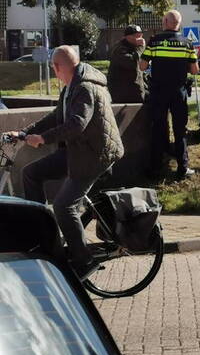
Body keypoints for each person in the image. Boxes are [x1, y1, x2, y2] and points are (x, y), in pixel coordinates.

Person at [18, 46, 124, 277]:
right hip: (77, 150)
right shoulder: (70, 87)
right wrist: (25, 133)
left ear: (56, 67)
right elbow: (56, 117)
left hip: (95, 155)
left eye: (52, 67)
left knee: (64, 206)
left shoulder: (84, 88)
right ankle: (43, 236)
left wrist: (43, 139)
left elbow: (77, 125)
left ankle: (84, 260)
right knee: (31, 173)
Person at [140, 11, 198, 180]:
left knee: (158, 129)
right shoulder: (188, 43)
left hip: (158, 92)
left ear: (165, 21)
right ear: (178, 24)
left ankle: (155, 168)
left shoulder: (155, 41)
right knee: (180, 131)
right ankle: (182, 168)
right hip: (178, 92)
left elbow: (143, 66)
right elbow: (194, 70)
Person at [107, 25, 146, 103]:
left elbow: (140, 68)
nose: (140, 39)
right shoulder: (119, 49)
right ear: (128, 37)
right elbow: (132, 63)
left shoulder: (133, 48)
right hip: (123, 94)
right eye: (137, 36)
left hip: (135, 91)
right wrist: (140, 48)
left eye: (140, 36)